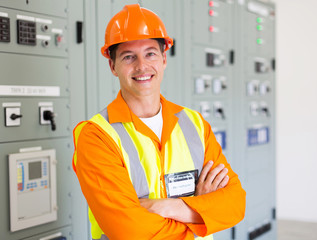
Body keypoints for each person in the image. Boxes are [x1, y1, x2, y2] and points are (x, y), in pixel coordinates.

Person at [72, 4, 246, 240]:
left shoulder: (194, 124)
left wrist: (172, 207)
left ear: (164, 58)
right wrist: (200, 210)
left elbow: (235, 204)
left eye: (150, 53)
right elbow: (130, 231)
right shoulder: (97, 136)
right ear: (113, 66)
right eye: (128, 57)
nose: (142, 66)